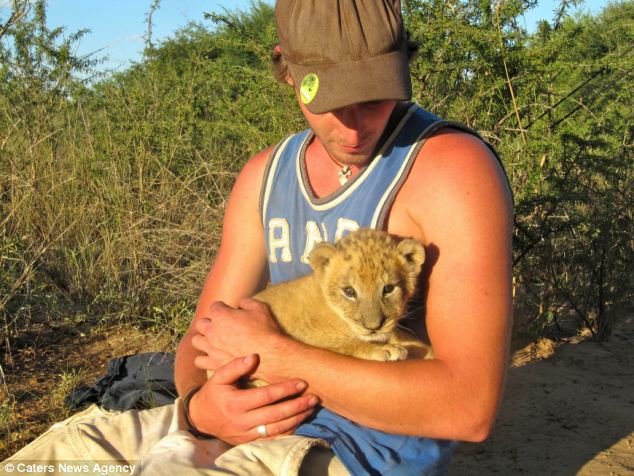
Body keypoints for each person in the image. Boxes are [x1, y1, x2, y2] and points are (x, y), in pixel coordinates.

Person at [1, 1, 512, 475]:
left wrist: (277, 355)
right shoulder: (264, 177)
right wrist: (205, 407)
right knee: (46, 460)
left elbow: (468, 408)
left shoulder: (450, 170)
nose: (354, 127)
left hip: (350, 443)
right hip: (232, 419)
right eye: (332, 99)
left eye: (375, 95)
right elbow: (200, 343)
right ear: (287, 71)